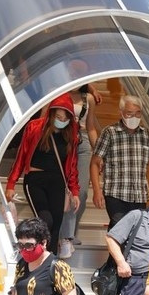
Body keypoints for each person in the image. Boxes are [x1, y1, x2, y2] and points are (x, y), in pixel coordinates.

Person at [6, 93, 80, 254]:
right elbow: (21, 156)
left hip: (57, 182)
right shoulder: (35, 127)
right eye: (58, 116)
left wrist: (74, 190)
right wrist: (11, 183)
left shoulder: (70, 135)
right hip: (35, 180)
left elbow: (72, 165)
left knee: (56, 224)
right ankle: (32, 254)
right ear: (52, 113)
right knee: (46, 220)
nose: (61, 120)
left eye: (65, 117)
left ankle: (50, 262)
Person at [90, 95, 149, 230]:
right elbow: (95, 162)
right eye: (130, 113)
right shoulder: (110, 133)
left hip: (139, 195)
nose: (134, 117)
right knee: (121, 226)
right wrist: (97, 190)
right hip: (115, 193)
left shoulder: (146, 134)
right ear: (121, 113)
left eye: (137, 113)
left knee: (130, 232)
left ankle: (114, 252)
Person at [57, 83, 103, 258]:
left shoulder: (88, 99)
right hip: (62, 139)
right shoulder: (58, 93)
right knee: (64, 191)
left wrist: (98, 154)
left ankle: (71, 231)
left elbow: (90, 127)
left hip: (82, 143)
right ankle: (64, 236)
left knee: (81, 192)